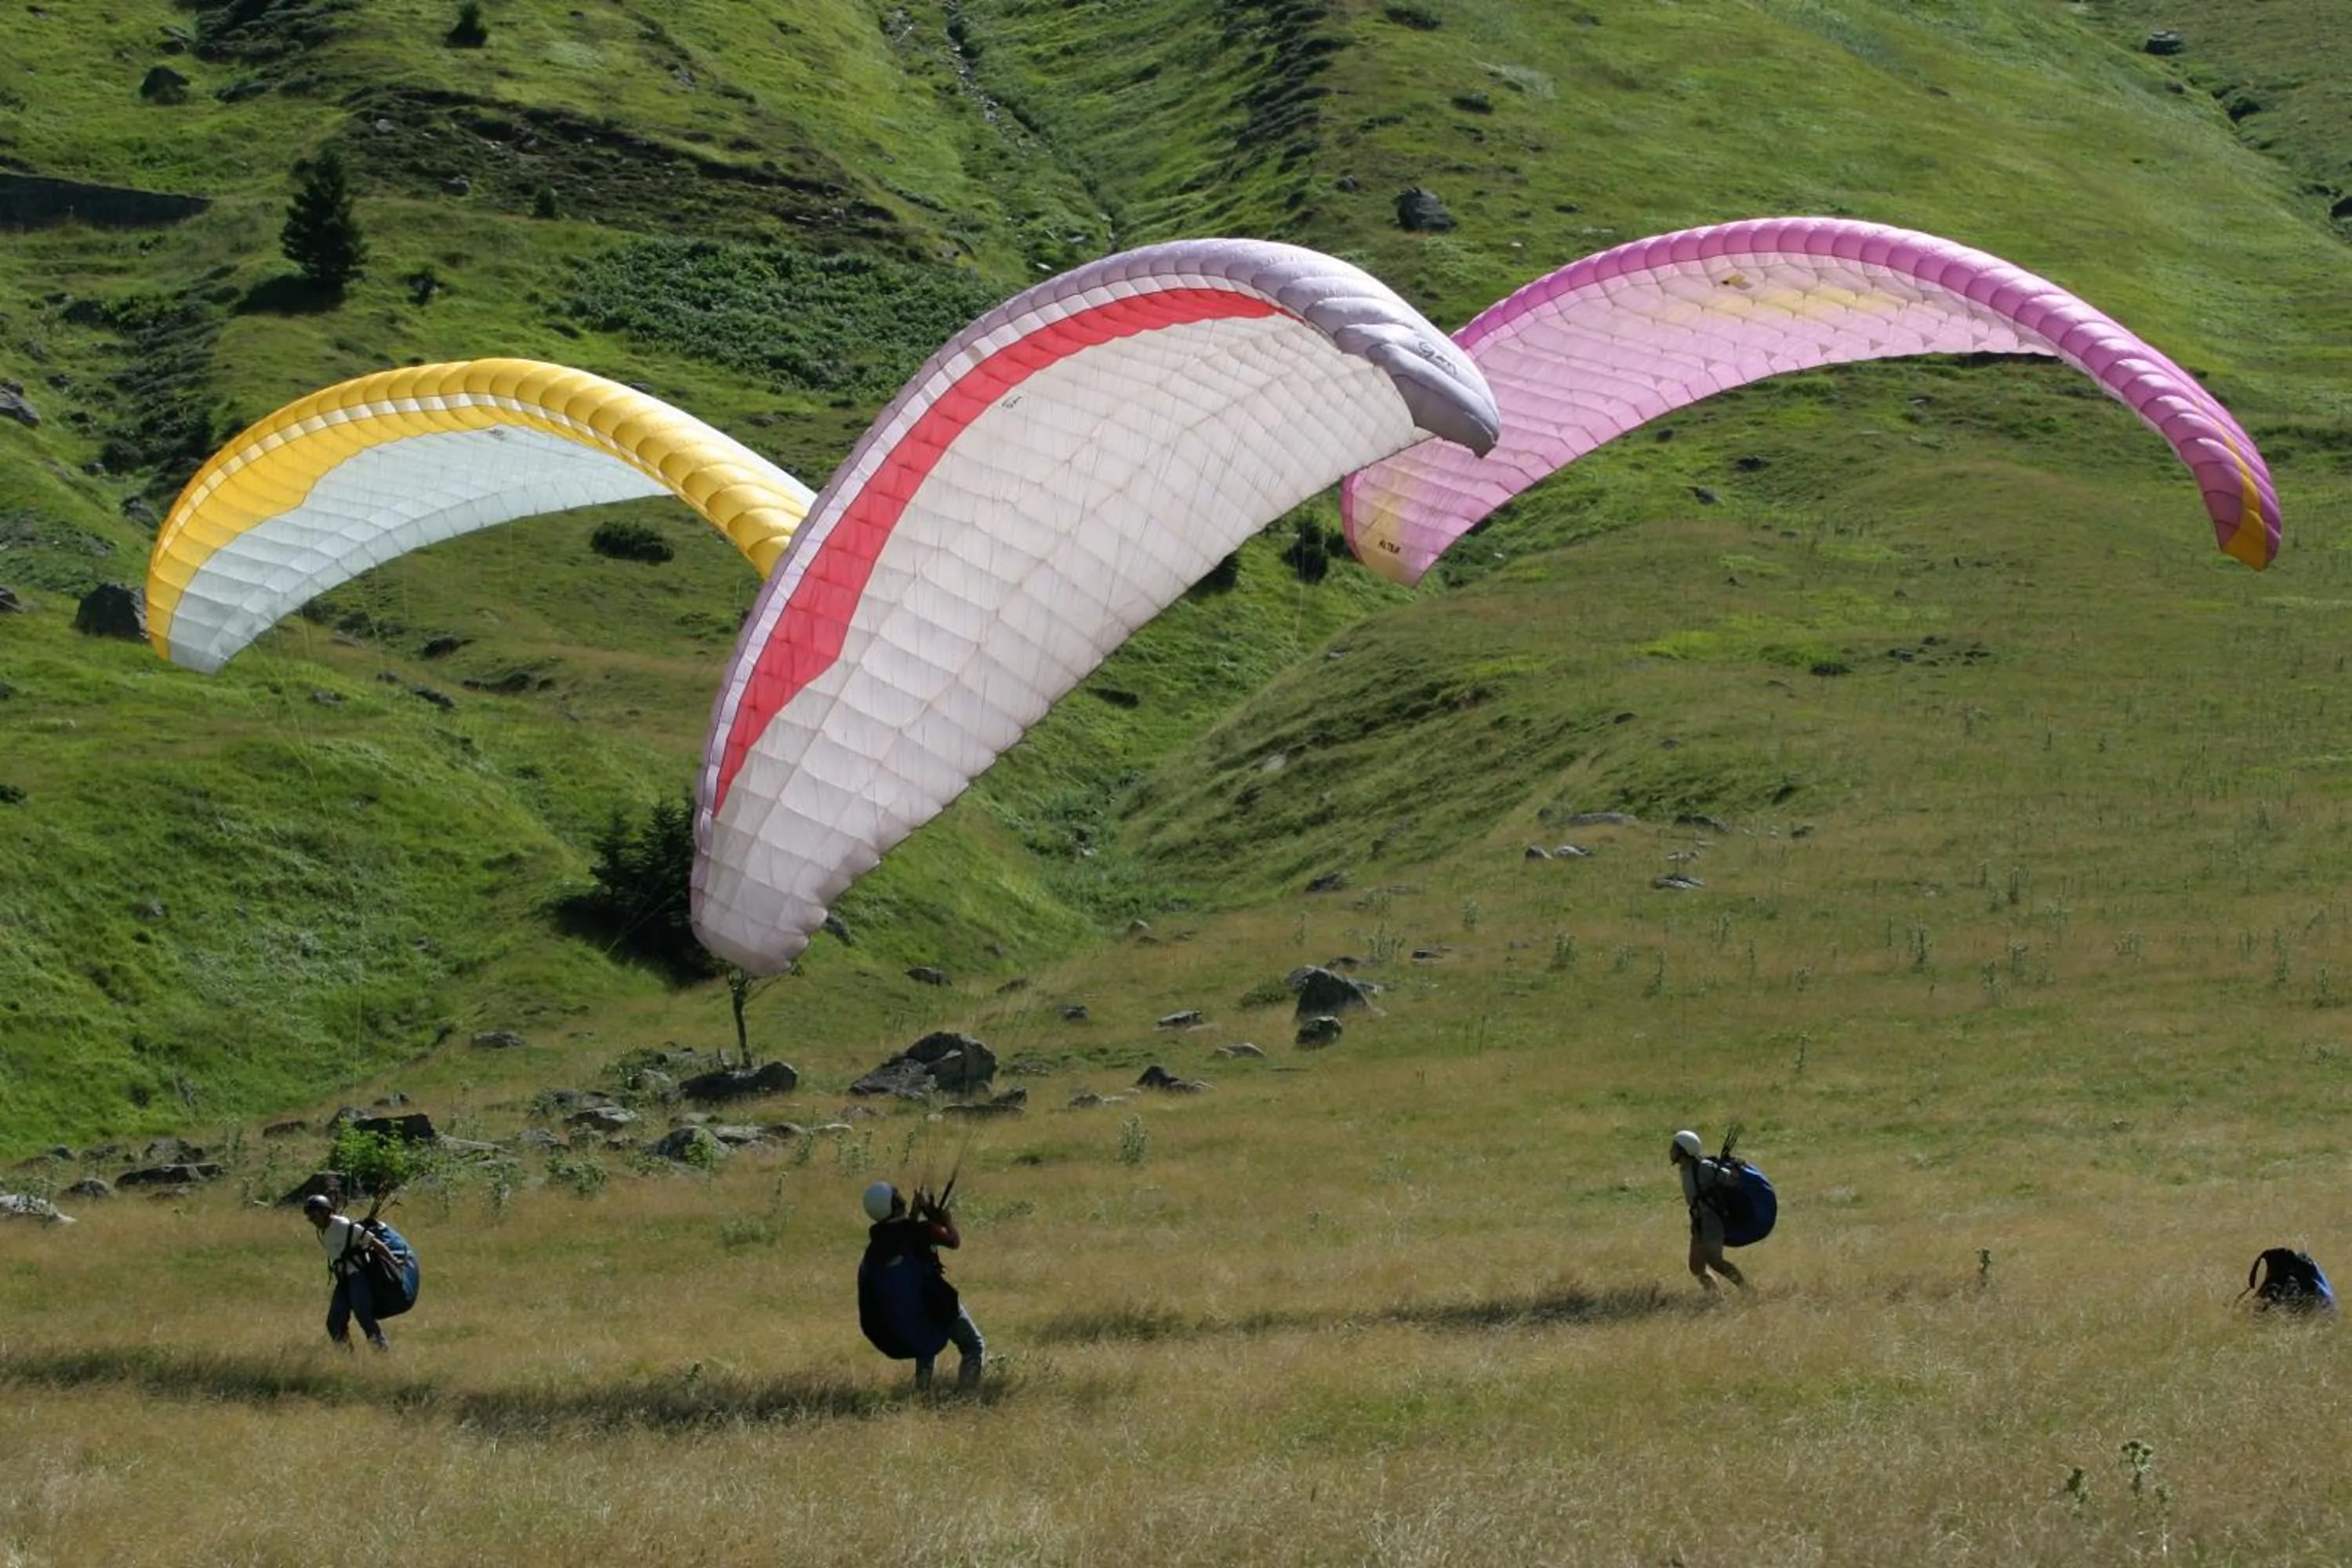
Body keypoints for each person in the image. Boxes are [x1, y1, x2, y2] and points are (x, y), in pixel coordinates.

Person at [857, 1179, 985, 1391]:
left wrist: (916, 1216)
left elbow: (901, 1237)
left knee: (925, 1336)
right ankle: (967, 1395)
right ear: (895, 1204)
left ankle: (922, 1392)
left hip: (902, 1324)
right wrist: (945, 1220)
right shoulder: (922, 1231)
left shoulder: (876, 1247)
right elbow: (953, 1241)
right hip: (937, 1306)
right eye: (897, 1194)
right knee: (973, 1345)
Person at [303, 1192, 397, 1350]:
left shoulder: (344, 1226)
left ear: (325, 1212)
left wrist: (393, 1262)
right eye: (309, 1216)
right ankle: (347, 1358)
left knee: (363, 1315)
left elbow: (374, 1243)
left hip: (359, 1276)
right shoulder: (322, 1230)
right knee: (334, 1322)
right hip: (344, 1280)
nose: (311, 1219)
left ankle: (382, 1351)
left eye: (314, 1215)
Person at [1669, 1130, 1748, 1294]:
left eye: (1674, 1148)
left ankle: (1747, 1291)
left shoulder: (1704, 1167)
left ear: (1683, 1151)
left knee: (1715, 1261)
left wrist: (1734, 1168)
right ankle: (1715, 1297)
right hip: (1698, 1221)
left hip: (1712, 1220)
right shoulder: (1686, 1168)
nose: (1671, 1151)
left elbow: (1730, 1180)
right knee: (1696, 1267)